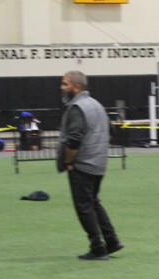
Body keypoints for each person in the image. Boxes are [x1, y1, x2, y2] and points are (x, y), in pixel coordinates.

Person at [57, 71, 123, 261]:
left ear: (77, 87)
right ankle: (112, 241)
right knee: (93, 202)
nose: (62, 88)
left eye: (65, 84)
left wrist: (69, 162)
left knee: (84, 207)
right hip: (99, 163)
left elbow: (74, 139)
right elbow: (110, 131)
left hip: (82, 165)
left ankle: (97, 247)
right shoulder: (96, 104)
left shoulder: (77, 108)